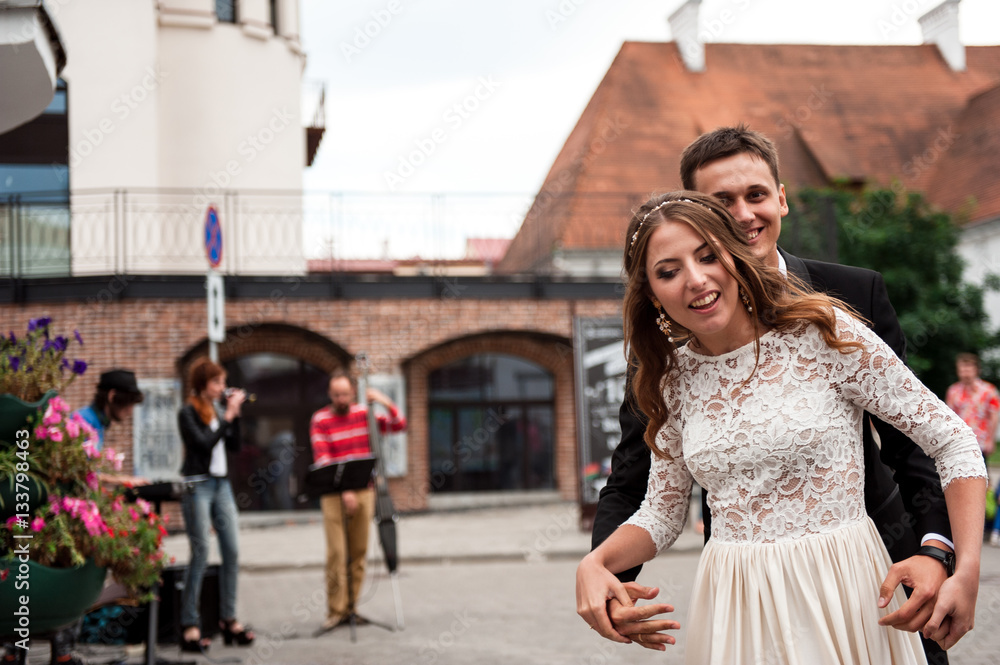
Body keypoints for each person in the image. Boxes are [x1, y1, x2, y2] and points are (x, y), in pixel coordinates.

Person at [591, 125, 959, 663]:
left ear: (781, 198)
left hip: (877, 575)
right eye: (723, 202)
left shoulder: (850, 298)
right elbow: (634, 483)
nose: (743, 215)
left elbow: (918, 444)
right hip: (744, 589)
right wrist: (604, 574)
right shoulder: (664, 359)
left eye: (755, 195)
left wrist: (936, 550)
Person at [309, 371, 406, 632]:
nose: (340, 399)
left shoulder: (365, 414)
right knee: (337, 553)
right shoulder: (320, 419)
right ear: (330, 394)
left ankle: (352, 608)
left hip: (365, 491)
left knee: (359, 553)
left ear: (352, 393)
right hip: (334, 494)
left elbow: (399, 425)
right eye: (335, 394)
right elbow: (324, 458)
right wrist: (344, 490)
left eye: (344, 394)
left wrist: (383, 400)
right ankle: (335, 611)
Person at [177, 358, 254, 652]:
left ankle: (228, 619)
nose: (222, 387)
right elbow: (204, 444)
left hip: (222, 485)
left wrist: (236, 415)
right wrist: (227, 417)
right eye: (217, 382)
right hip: (197, 484)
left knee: (232, 550)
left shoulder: (221, 411)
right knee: (200, 552)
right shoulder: (187, 413)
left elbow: (234, 446)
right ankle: (190, 625)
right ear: (202, 385)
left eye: (223, 382)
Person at [945, 353, 1000, 545]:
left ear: (976, 370)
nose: (965, 372)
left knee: (981, 484)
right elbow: (949, 415)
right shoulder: (954, 391)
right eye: (962, 368)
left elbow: (993, 416)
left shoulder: (989, 391)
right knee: (959, 481)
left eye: (968, 368)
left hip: (980, 443)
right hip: (959, 445)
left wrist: (991, 440)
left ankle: (985, 523)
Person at [75, 368, 148, 486]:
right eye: (128, 403)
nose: (130, 411)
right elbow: (80, 473)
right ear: (112, 396)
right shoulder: (85, 422)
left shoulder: (97, 422)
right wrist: (124, 480)